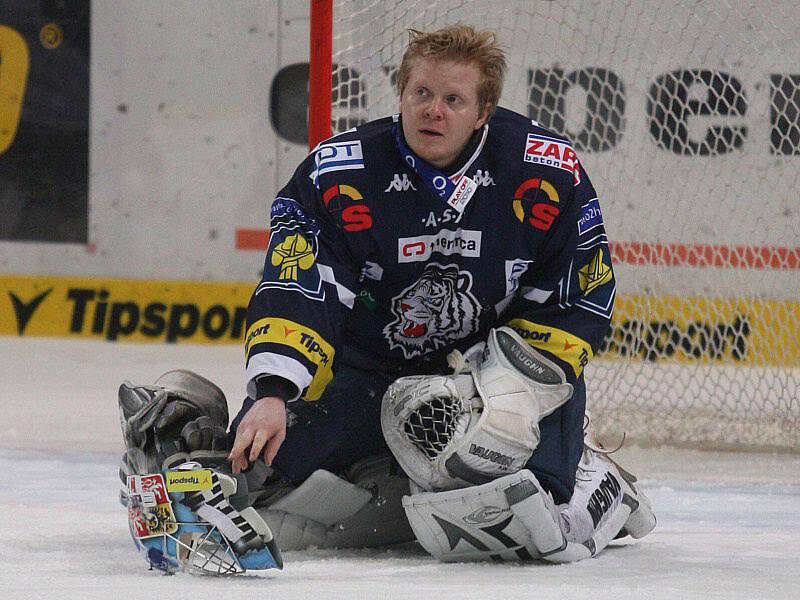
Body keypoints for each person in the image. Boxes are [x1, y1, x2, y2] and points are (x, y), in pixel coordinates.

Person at [117, 24, 654, 566]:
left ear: (483, 111)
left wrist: (514, 397)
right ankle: (390, 469)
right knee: (267, 481)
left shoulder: (544, 171)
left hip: (489, 374)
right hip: (370, 371)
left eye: (453, 99)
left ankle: (587, 475)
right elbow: (300, 286)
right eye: (421, 93)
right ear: (401, 94)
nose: (433, 111)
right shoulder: (341, 173)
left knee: (532, 515)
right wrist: (274, 393)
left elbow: (577, 296)